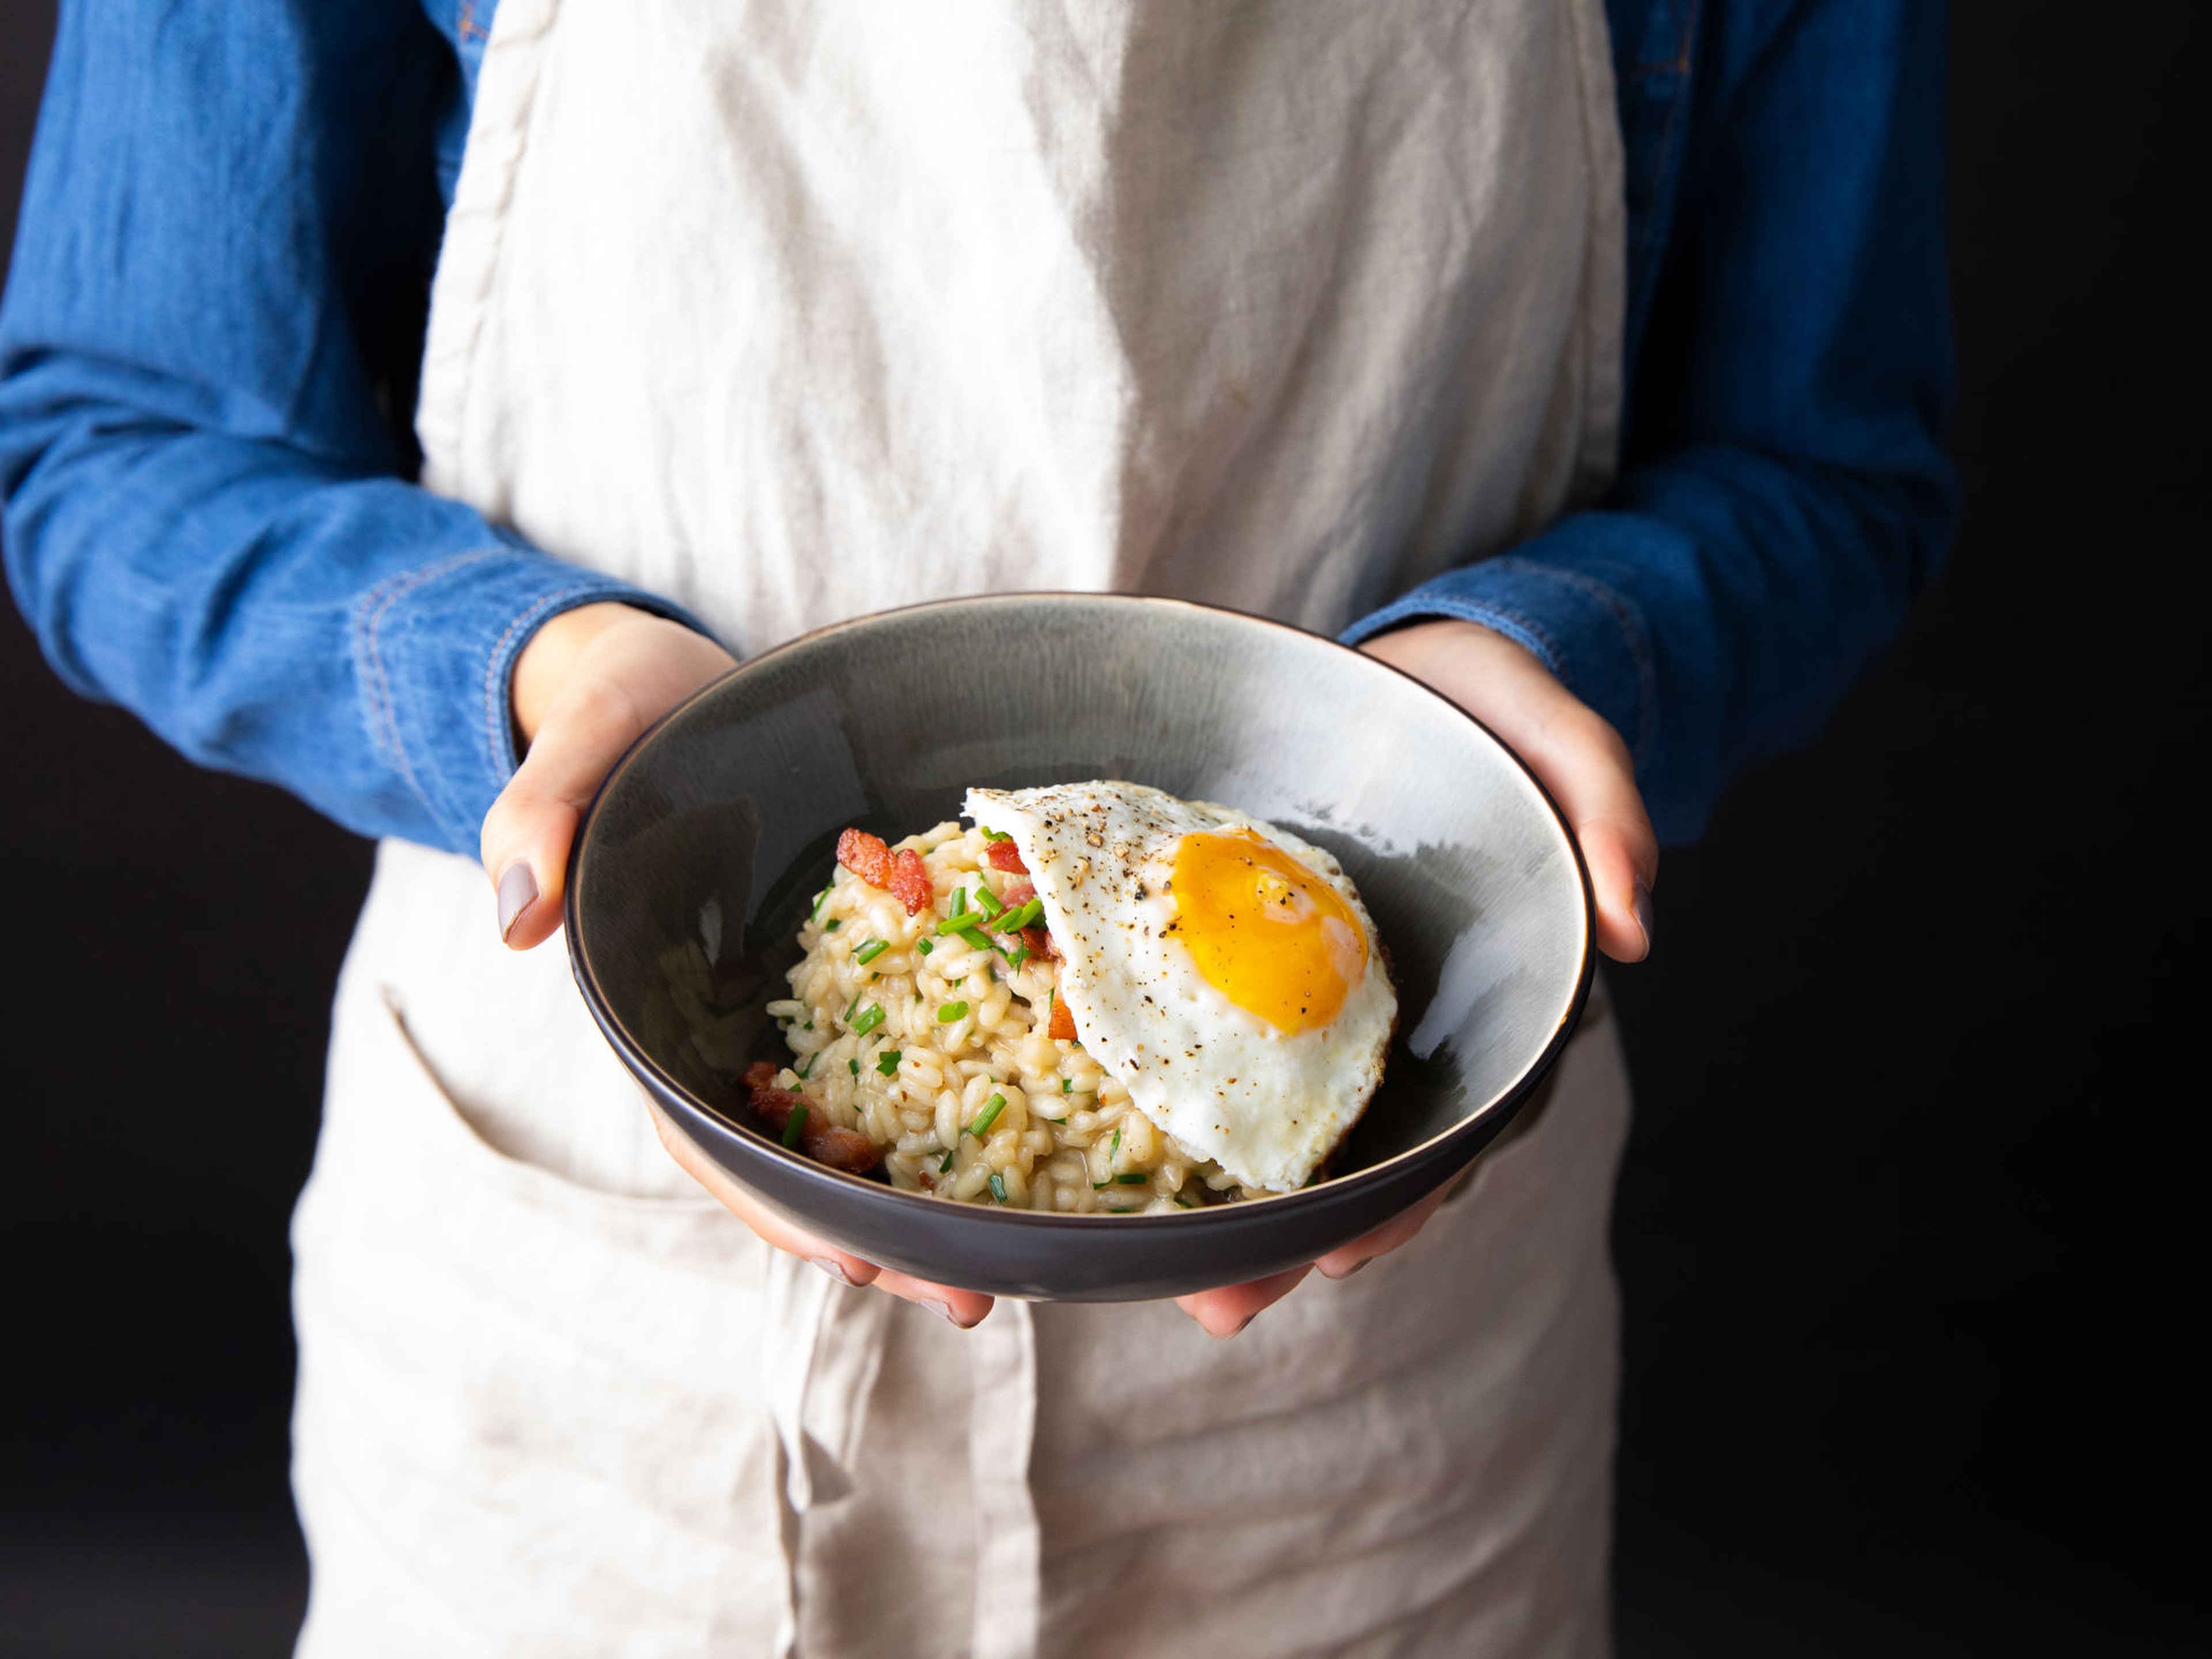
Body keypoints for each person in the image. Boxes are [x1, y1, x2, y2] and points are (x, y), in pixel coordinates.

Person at [0, 1, 1953, 1653]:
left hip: (1368, 1407)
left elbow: (1829, 460)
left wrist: (1539, 666)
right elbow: (118, 437)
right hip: (586, 1331)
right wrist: (531, 669)